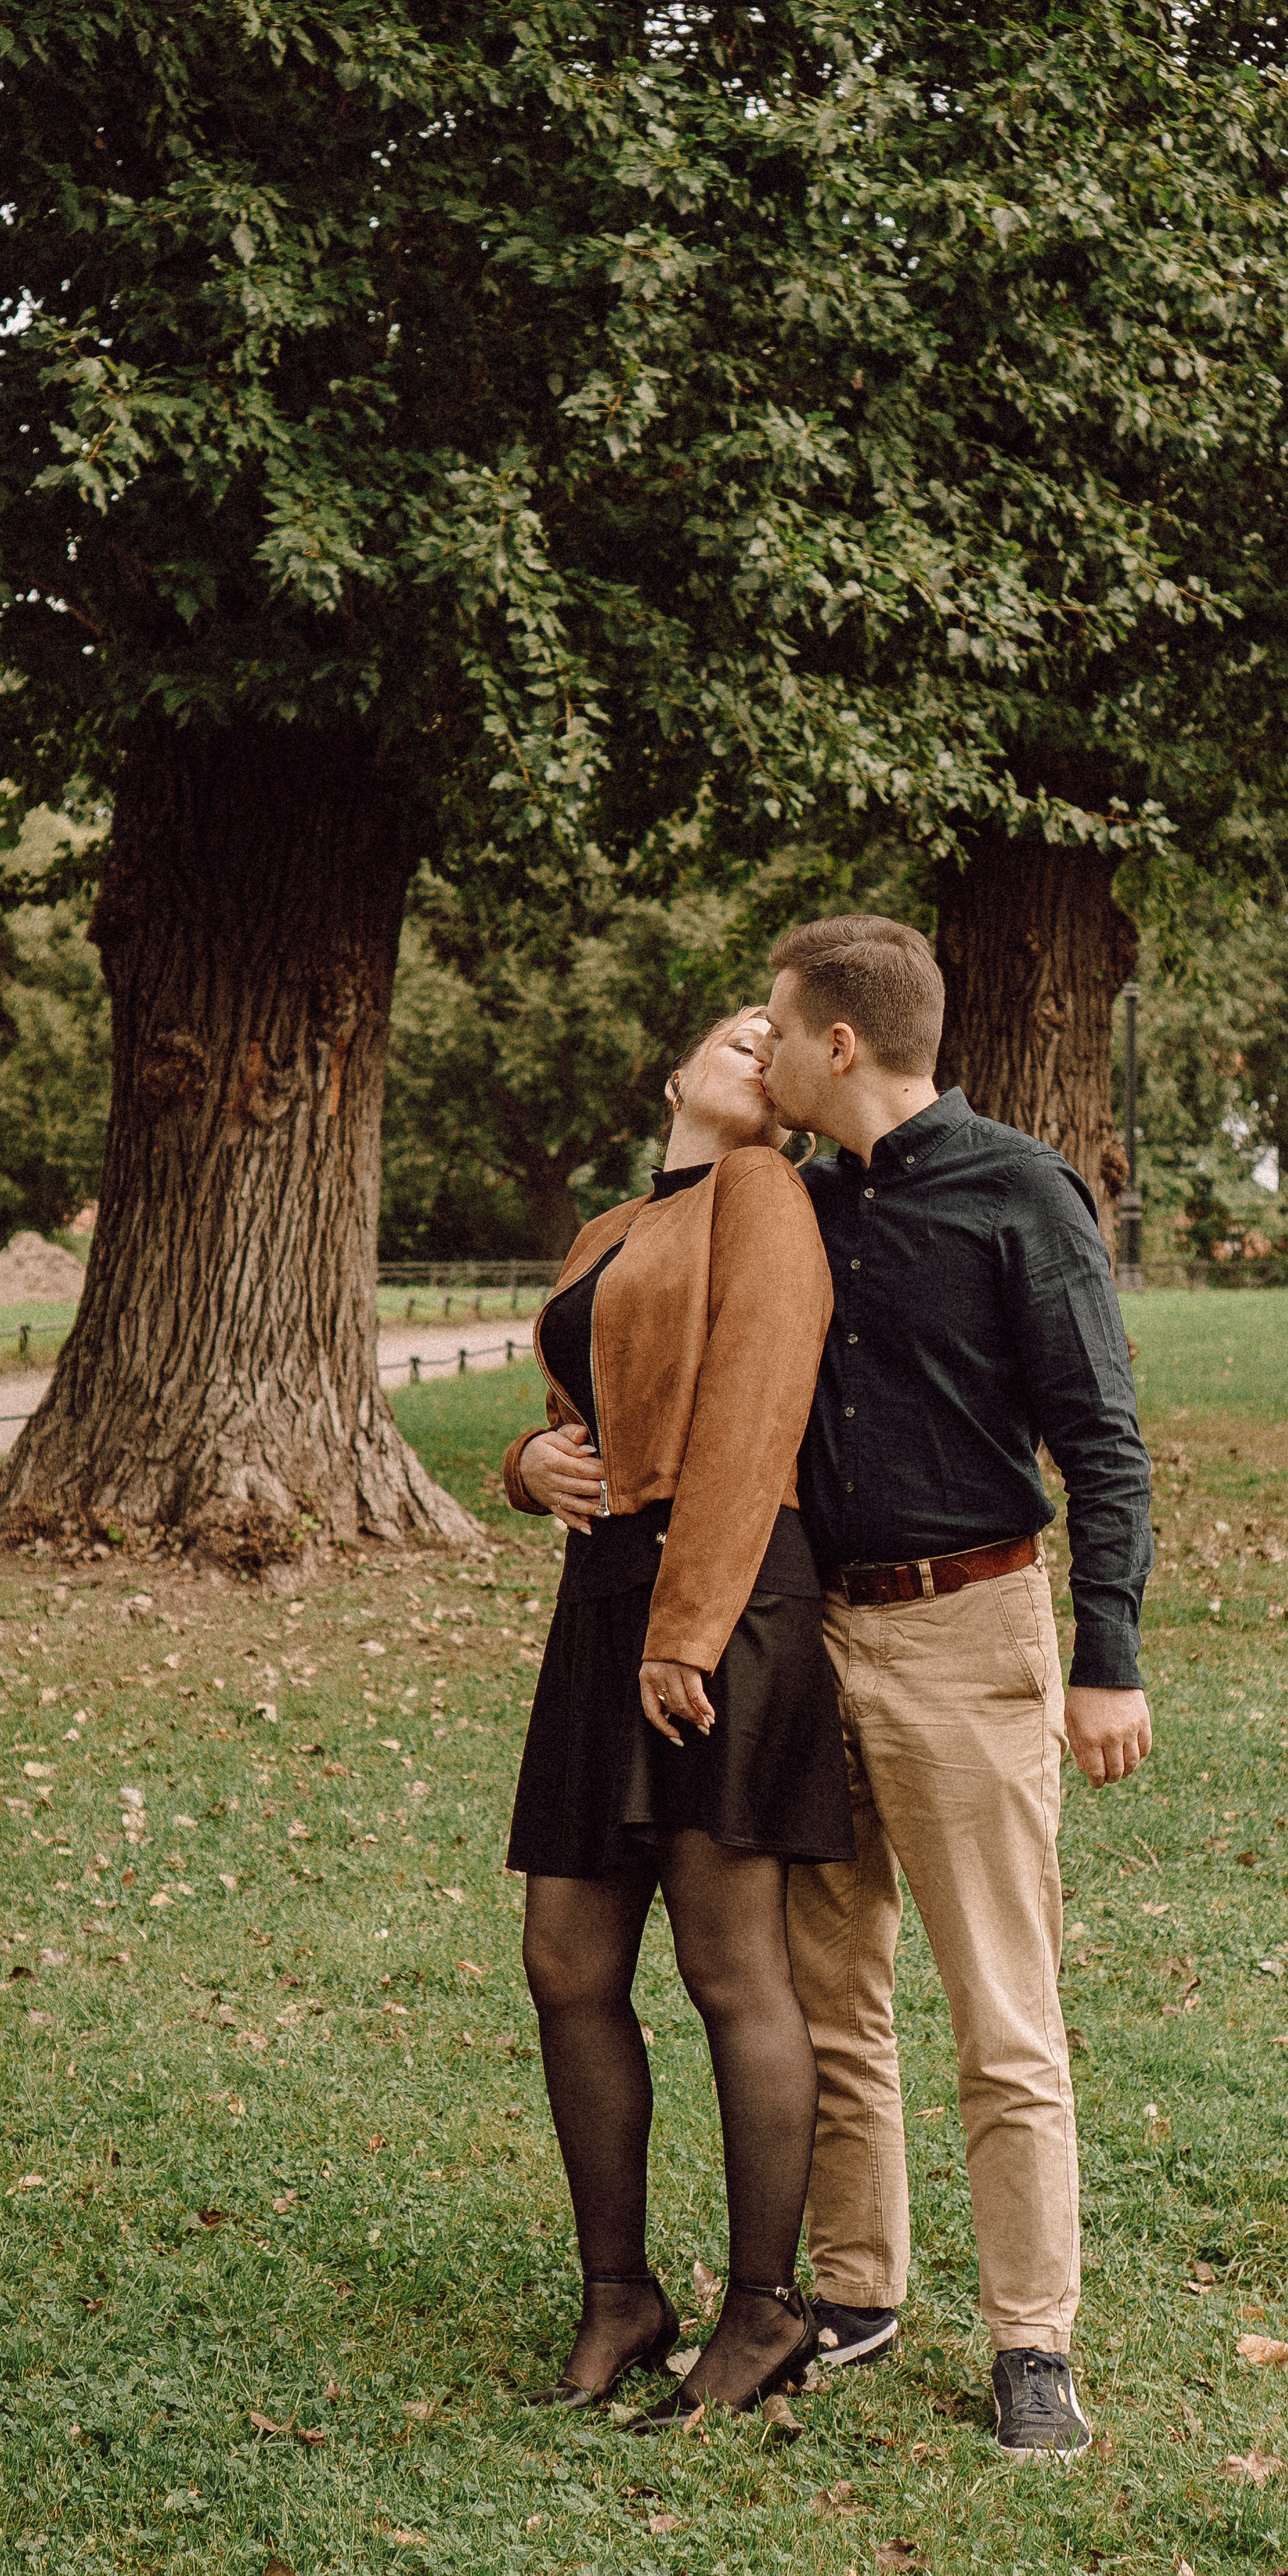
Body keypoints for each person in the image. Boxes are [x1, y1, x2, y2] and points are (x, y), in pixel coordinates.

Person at [751, 915, 1155, 2461]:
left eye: (778, 1029)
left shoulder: (1020, 1192)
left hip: (970, 1632)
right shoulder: (791, 1203)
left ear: (841, 1042)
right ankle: (857, 2290)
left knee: (1002, 2006)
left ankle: (1031, 2341)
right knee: (830, 1988)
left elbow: (1101, 1439)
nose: (765, 1054)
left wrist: (1106, 1661)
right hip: (811, 1639)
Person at [501, 1006, 854, 2428]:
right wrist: (526, 1464)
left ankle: (765, 2309)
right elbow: (581, 1410)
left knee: (729, 1965)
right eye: (737, 1031)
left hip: (720, 1601)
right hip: (603, 1608)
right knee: (564, 1959)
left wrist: (688, 1629)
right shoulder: (611, 1227)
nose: (761, 1046)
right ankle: (619, 2297)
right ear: (676, 1074)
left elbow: (755, 1417)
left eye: (783, 1041)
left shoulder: (763, 1194)